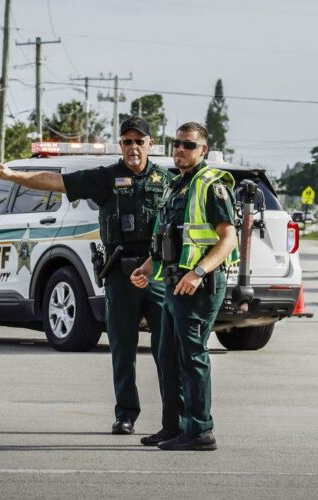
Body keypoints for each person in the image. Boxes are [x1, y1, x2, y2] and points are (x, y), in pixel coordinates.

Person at [0, 117, 178, 442]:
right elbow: (57, 182)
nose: (133, 147)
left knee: (166, 350)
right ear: (121, 145)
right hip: (120, 272)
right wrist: (12, 174)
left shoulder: (167, 180)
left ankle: (173, 420)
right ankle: (126, 415)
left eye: (139, 141)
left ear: (151, 145)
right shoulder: (106, 178)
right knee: (122, 348)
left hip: (155, 271)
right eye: (127, 141)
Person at [130, 122, 239, 451]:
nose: (180, 149)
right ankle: (174, 427)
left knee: (192, 357)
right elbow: (169, 239)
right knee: (168, 356)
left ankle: (200, 430)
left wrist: (199, 272)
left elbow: (228, 238)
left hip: (199, 285)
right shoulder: (176, 185)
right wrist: (147, 269)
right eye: (176, 143)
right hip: (174, 282)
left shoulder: (211, 184)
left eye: (188, 145)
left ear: (202, 150)